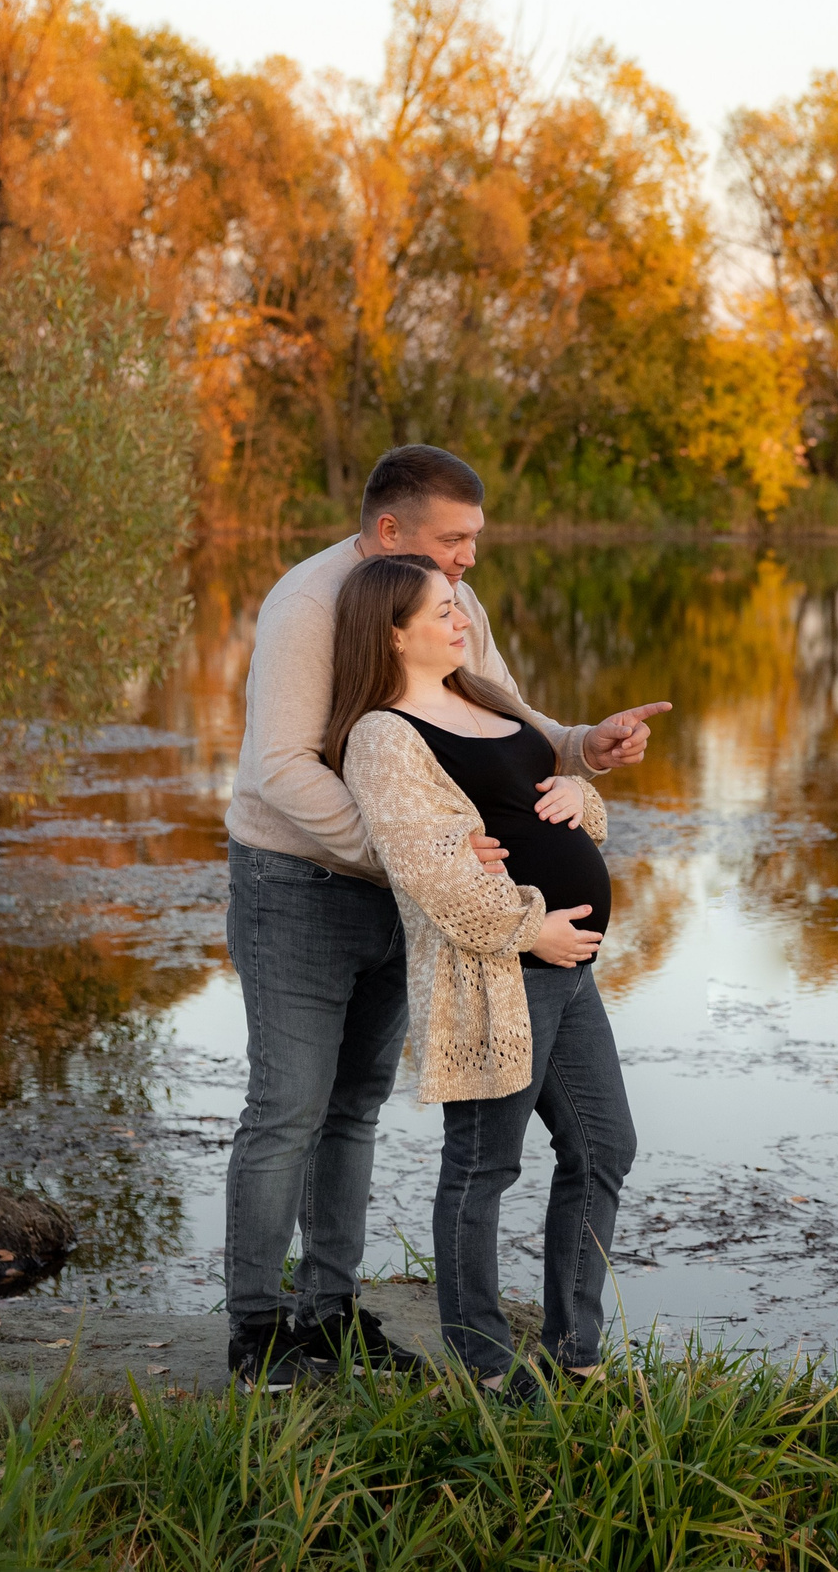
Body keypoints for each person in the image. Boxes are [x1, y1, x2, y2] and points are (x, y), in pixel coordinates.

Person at [219, 444, 668, 1391]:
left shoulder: (450, 605)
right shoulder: (309, 607)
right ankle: (257, 1330)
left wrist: (584, 749)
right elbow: (285, 768)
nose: (468, 560)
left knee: (356, 1103)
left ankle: (330, 1310)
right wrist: (422, 857)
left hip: (412, 899)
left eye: (473, 541)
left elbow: (499, 718)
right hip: (298, 881)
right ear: (391, 531)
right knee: (289, 1106)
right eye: (453, 539)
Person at [326, 553, 633, 1391]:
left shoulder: (485, 694)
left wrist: (580, 798)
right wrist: (533, 928)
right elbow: (429, 872)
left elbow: (551, 792)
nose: (463, 620)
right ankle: (484, 1364)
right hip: (497, 975)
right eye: (442, 611)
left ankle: (575, 1353)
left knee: (604, 1145)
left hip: (568, 970)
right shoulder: (383, 737)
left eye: (457, 606)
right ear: (394, 633)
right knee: (482, 1166)